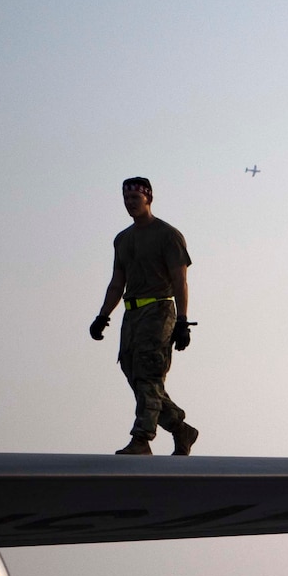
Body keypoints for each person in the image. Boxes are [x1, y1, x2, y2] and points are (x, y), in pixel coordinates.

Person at [89, 177, 198, 455]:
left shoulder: (168, 235)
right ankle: (180, 428)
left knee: (149, 374)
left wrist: (183, 321)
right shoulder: (123, 239)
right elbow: (117, 282)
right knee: (135, 373)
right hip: (132, 313)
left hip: (159, 310)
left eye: (135, 199)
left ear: (148, 199)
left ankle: (142, 438)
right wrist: (102, 315)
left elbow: (180, 280)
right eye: (126, 199)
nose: (130, 204)